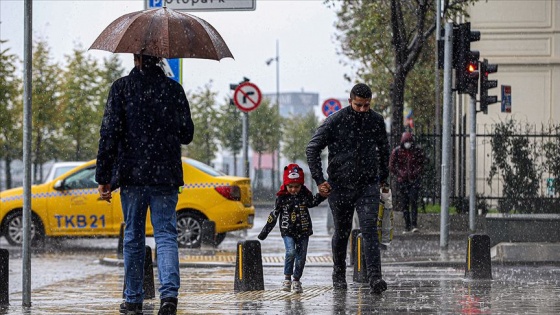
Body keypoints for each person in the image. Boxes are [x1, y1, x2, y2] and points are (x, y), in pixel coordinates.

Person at [96, 54, 194, 315]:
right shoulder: (173, 90)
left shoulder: (121, 88)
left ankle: (133, 299)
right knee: (165, 234)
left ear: (136, 57)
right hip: (166, 175)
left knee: (133, 236)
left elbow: (109, 133)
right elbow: (187, 134)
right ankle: (169, 297)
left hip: (132, 174)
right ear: (160, 58)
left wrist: (103, 176)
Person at [306, 83, 390, 294]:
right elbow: (312, 148)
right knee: (342, 232)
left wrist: (383, 177)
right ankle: (339, 273)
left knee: (370, 229)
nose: (362, 109)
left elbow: (384, 148)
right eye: (358, 105)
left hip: (367, 185)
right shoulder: (335, 121)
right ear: (350, 100)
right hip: (340, 185)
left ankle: (375, 278)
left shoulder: (376, 121)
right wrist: (319, 180)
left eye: (366, 105)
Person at [257, 163, 327, 293]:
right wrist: (264, 232)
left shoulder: (305, 195)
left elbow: (313, 202)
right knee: (290, 252)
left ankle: (296, 280)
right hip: (287, 231)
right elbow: (274, 215)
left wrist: (321, 196)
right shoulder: (281, 197)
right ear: (285, 185)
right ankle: (287, 278)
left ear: (301, 185)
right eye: (290, 186)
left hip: (304, 231)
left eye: (297, 186)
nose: (293, 189)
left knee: (301, 256)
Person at [389, 131, 425, 233]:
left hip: (413, 180)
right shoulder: (397, 151)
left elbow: (422, 163)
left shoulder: (416, 151)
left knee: (413, 201)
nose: (408, 144)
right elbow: (392, 165)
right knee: (405, 204)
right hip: (403, 181)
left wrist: (415, 172)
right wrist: (400, 174)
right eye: (406, 142)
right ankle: (407, 225)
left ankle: (414, 224)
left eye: (409, 142)